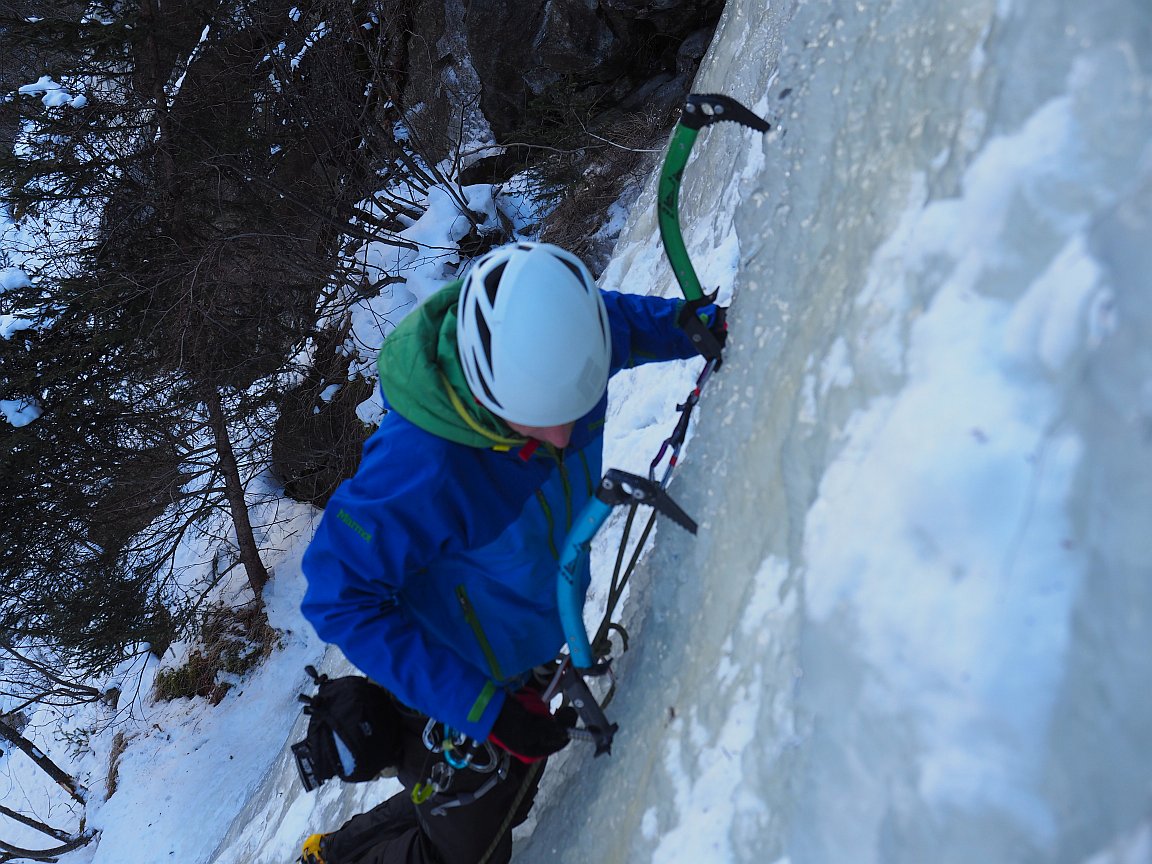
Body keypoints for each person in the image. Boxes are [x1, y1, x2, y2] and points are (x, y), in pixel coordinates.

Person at [300, 240, 722, 766]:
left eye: (575, 406)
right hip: (463, 671)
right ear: (484, 394)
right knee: (467, 833)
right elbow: (336, 593)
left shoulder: (560, 349)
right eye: (537, 418)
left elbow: (623, 324)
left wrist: (699, 325)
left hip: (533, 626)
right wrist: (483, 709)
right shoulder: (423, 465)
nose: (563, 438)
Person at [298, 683, 556, 864]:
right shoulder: (409, 709)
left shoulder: (426, 769)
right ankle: (332, 851)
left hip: (488, 791)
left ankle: (331, 851)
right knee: (420, 805)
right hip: (497, 751)